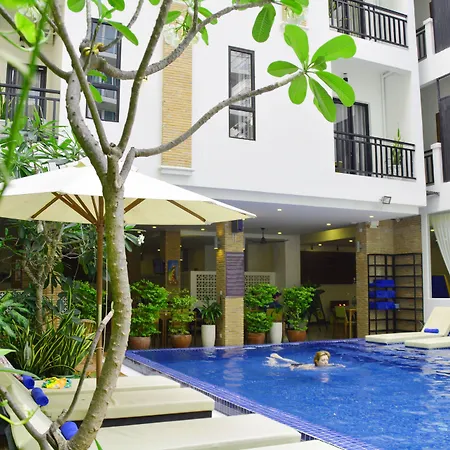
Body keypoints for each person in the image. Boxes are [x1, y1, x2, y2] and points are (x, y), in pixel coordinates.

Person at [267, 351, 343, 370]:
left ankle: (279, 357)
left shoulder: (327, 365)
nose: (326, 362)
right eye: (323, 360)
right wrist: (292, 368)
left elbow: (333, 365)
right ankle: (273, 360)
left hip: (302, 364)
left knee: (293, 361)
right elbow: (295, 366)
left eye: (327, 360)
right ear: (316, 361)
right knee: (291, 363)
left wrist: (340, 366)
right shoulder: (310, 368)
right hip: (299, 366)